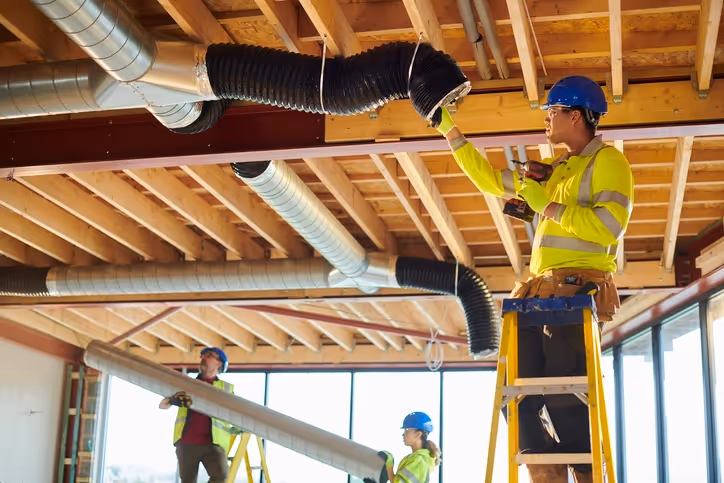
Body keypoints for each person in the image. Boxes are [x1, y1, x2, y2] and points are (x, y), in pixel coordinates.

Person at [427, 76, 633, 483]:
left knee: (563, 395)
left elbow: (608, 227)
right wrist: (448, 128)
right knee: (515, 394)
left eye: (552, 112)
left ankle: (588, 475)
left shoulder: (609, 163)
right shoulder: (557, 170)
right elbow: (489, 180)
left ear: (576, 116)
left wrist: (551, 208)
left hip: (575, 293)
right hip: (541, 294)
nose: (546, 120)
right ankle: (549, 477)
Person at [159, 347, 236, 483]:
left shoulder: (226, 389)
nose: (203, 358)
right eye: (203, 356)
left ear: (219, 363)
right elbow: (163, 405)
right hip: (187, 442)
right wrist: (172, 399)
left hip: (213, 443)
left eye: (209, 355)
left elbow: (236, 414)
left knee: (221, 477)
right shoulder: (187, 384)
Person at [378, 412, 441, 483]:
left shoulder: (419, 460)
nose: (403, 434)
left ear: (418, 434)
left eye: (407, 430)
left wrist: (389, 466)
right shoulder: (416, 458)